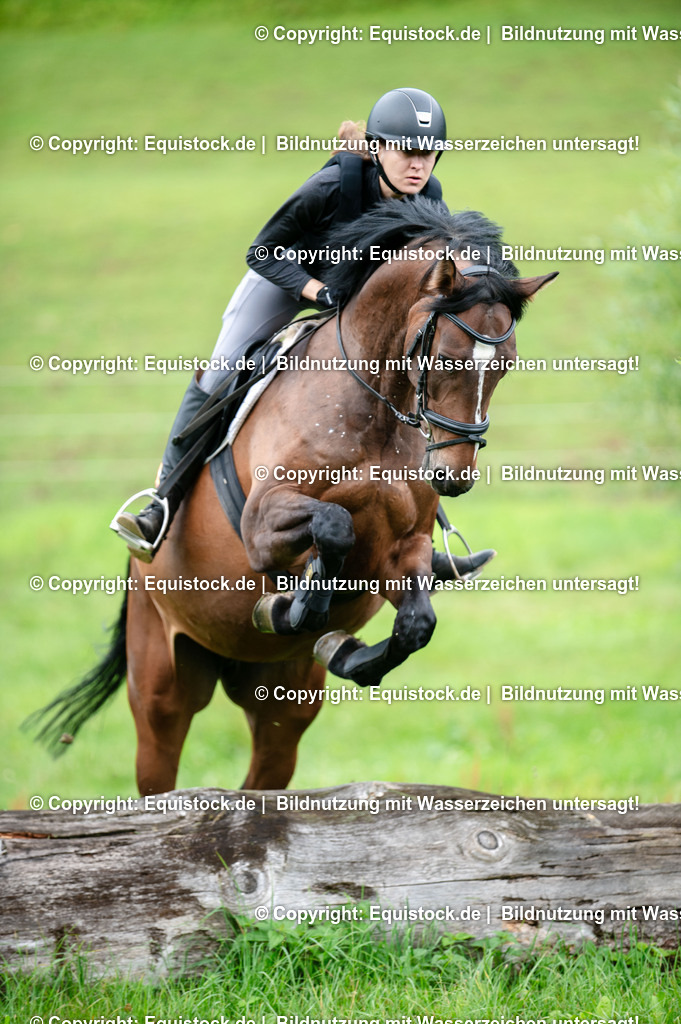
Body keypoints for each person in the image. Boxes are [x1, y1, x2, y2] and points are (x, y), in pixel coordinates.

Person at [112, 87, 494, 579]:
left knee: (408, 378)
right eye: (407, 151)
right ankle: (160, 505)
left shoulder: (430, 198)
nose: (419, 164)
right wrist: (317, 291)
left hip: (353, 296)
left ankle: (419, 537)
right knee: (223, 370)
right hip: (288, 278)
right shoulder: (331, 186)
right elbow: (262, 251)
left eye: (429, 153)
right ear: (377, 148)